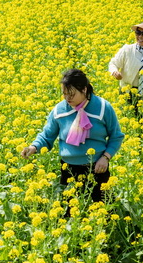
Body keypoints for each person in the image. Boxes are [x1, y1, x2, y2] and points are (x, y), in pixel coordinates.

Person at [21, 69, 124, 207]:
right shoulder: (59, 110)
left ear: (84, 89)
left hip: (97, 167)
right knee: (68, 213)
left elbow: (116, 136)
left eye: (72, 94)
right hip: (68, 169)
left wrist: (105, 157)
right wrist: (34, 147)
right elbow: (47, 136)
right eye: (64, 94)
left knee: (103, 210)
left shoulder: (103, 108)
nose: (67, 98)